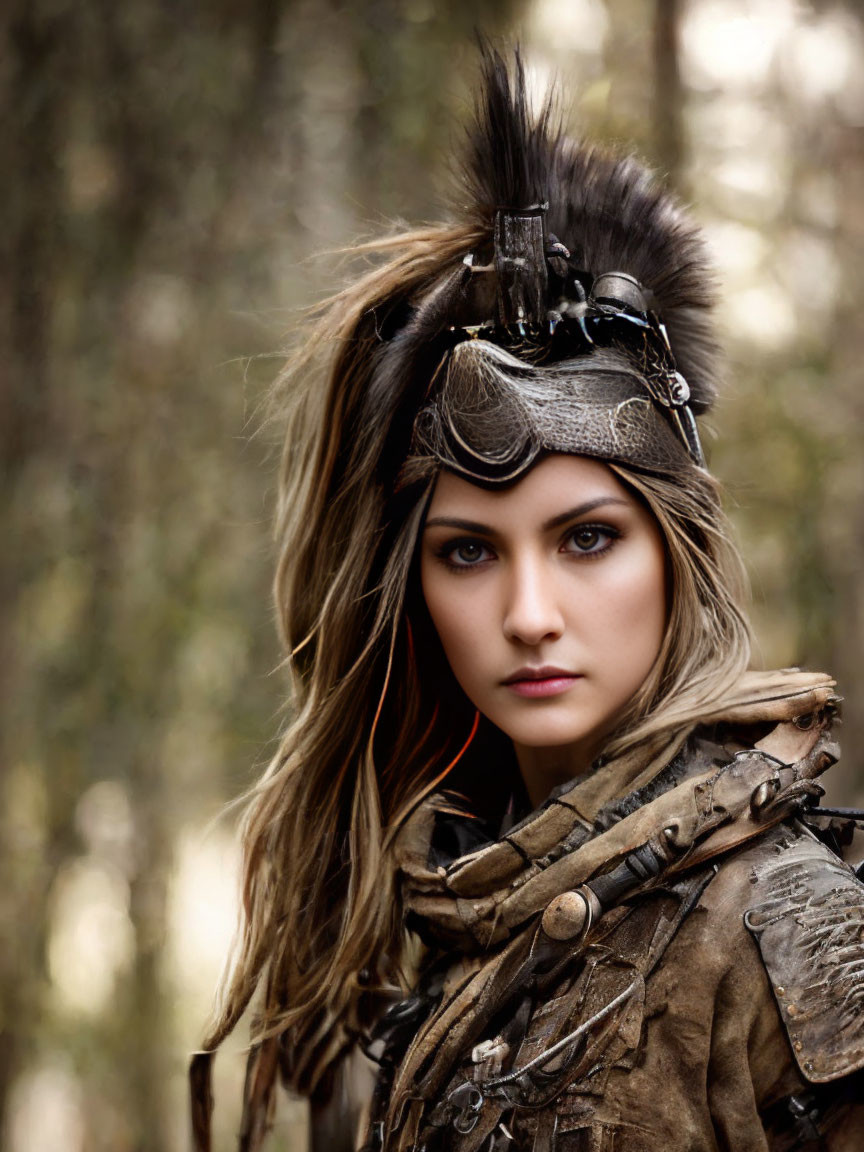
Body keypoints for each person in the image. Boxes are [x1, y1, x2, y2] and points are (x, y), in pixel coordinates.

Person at [190, 47, 864, 1152]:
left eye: (587, 539)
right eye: (467, 554)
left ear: (675, 553)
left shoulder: (797, 932)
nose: (529, 612)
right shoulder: (454, 925)